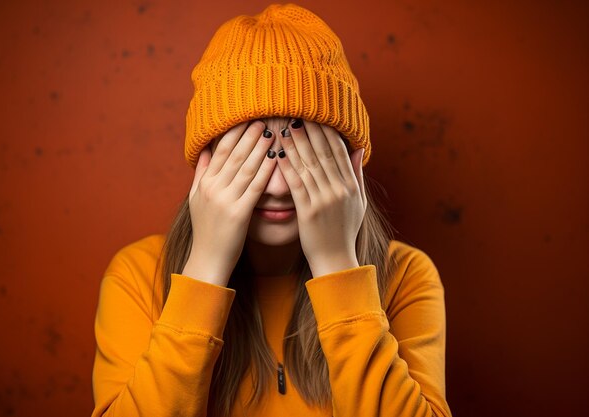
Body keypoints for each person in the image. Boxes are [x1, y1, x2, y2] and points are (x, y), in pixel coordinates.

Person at [91, 4, 452, 417]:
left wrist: (337, 266)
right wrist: (206, 266)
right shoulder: (139, 276)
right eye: (251, 150)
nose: (279, 187)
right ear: (205, 163)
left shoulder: (404, 276)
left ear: (350, 164)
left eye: (304, 150)